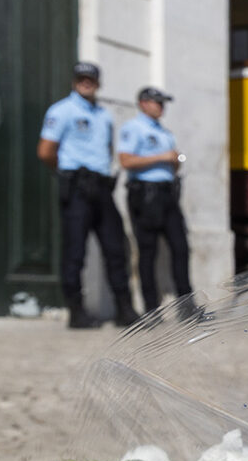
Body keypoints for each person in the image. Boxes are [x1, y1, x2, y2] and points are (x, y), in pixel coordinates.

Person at [38, 62, 135, 329]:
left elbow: (107, 150)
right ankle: (77, 312)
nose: (86, 82)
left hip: (102, 188)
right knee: (75, 252)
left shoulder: (104, 115)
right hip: (77, 188)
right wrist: (67, 174)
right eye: (81, 78)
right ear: (74, 81)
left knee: (115, 249)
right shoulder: (61, 110)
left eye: (90, 79)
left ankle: (124, 309)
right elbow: (45, 151)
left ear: (98, 83)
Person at [118, 87, 193, 316]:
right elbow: (126, 160)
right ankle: (151, 309)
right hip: (145, 194)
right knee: (148, 251)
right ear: (143, 103)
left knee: (180, 247)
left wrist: (174, 161)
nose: (161, 107)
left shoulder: (165, 132)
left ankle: (187, 306)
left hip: (167, 193)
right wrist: (162, 157)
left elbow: (173, 164)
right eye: (157, 102)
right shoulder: (133, 128)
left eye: (163, 103)